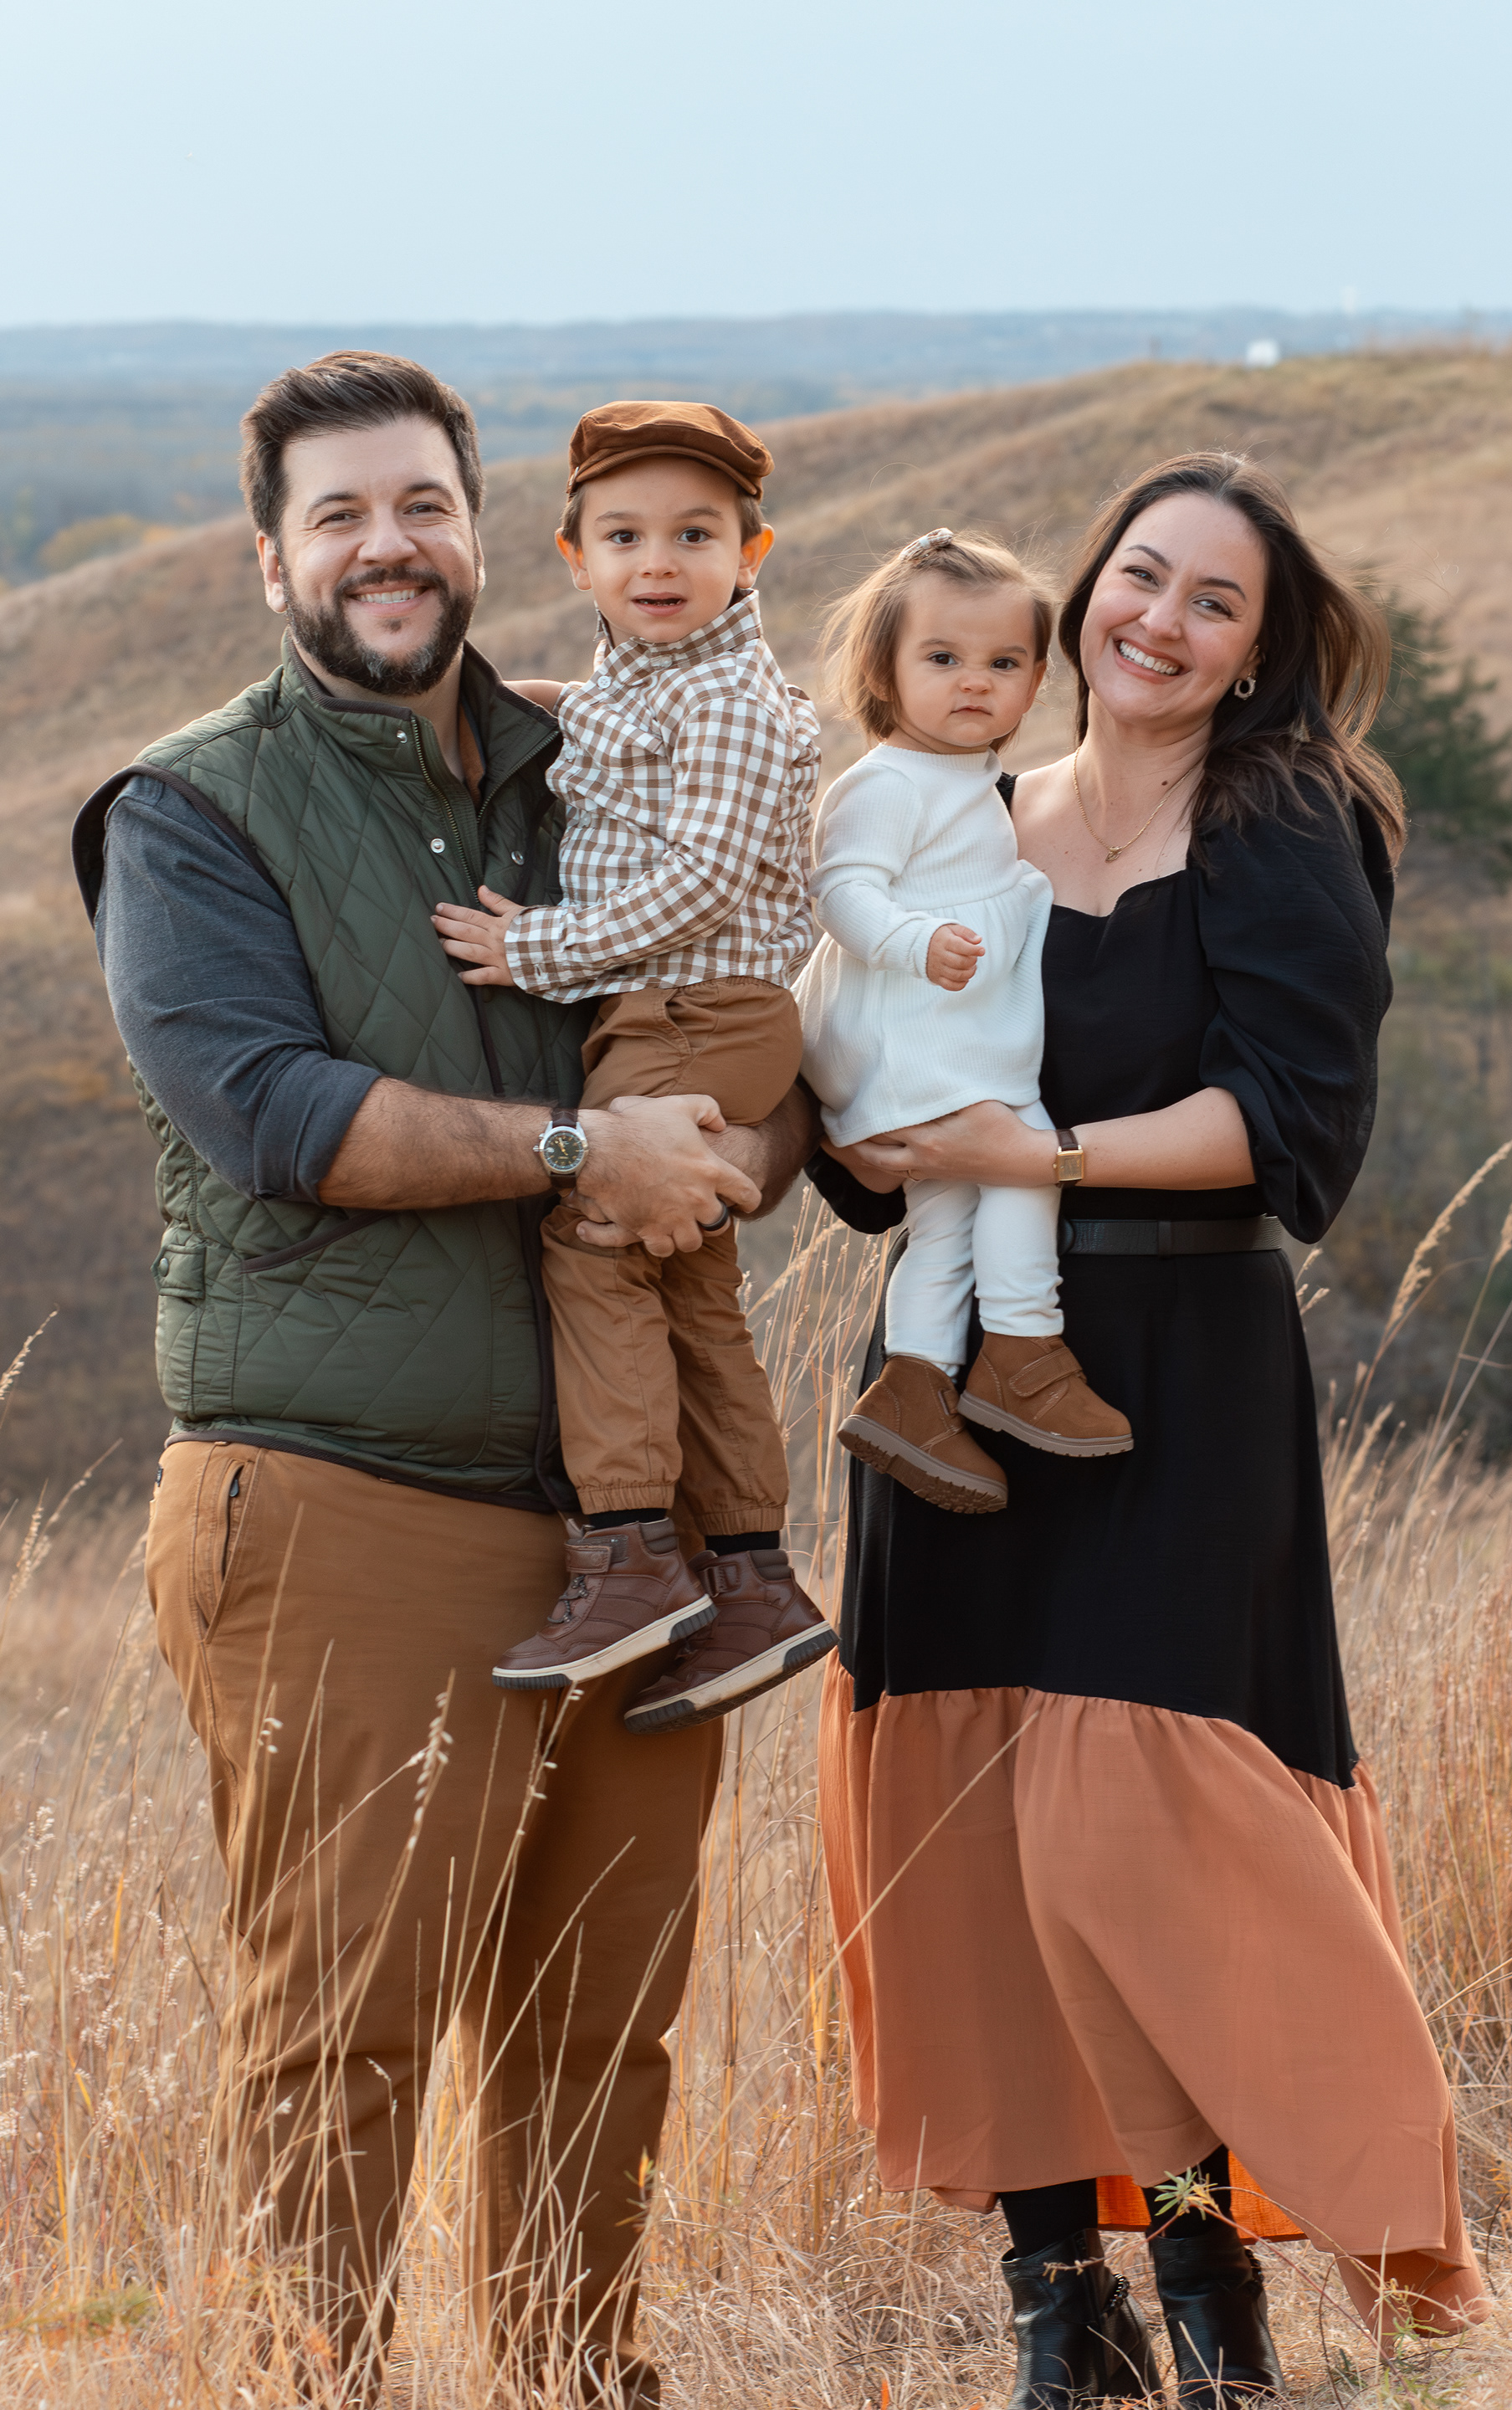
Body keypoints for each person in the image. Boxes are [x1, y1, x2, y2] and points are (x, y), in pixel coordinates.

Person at [71, 351, 812, 2407]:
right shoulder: (189, 810)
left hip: (634, 1537)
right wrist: (586, 1151)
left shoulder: (604, 756)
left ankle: (581, 2380)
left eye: (421, 505)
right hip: (346, 1497)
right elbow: (275, 1111)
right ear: (270, 558)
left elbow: (748, 998)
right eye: (339, 515)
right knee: (349, 2030)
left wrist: (758, 1135)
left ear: (487, 536)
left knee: (602, 2027)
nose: (386, 547)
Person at [809, 454, 1491, 2407]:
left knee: (1129, 1841)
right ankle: (1060, 2304)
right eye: (1141, 575)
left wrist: (1043, 1152)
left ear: (1258, 653)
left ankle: (1209, 2279)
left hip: (1180, 1374)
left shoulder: (1282, 824)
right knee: (973, 1847)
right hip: (957, 1375)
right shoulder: (969, 814)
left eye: (1214, 601)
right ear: (1085, 587)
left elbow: (1288, 1126)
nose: (1160, 621)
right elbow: (869, 1130)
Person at [432, 399, 834, 1731]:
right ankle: (754, 1578)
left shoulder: (727, 698)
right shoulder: (643, 681)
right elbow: (610, 746)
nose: (658, 562)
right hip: (679, 1008)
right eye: (624, 537)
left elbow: (701, 877)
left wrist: (535, 950)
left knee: (596, 1240)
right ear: (576, 560)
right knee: (689, 1280)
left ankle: (630, 1554)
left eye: (696, 535)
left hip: (696, 1005)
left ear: (751, 553)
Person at [796, 526, 1131, 1515]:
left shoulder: (966, 779)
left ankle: (915, 1385)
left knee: (945, 1215)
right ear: (885, 671)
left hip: (926, 1034)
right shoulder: (887, 782)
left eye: (1004, 662)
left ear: (1038, 682)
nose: (974, 682)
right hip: (900, 1031)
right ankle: (1024, 1347)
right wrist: (914, 940)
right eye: (942, 658)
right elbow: (841, 891)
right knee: (1024, 1159)